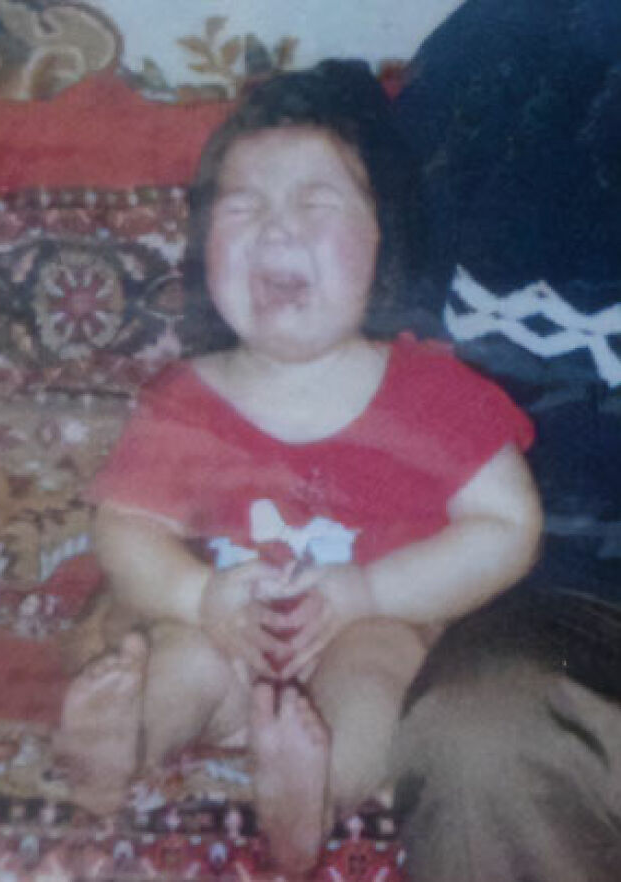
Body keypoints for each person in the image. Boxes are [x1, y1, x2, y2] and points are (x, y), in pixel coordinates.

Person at [54, 61, 544, 877]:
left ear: (386, 237)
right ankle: (119, 746)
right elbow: (126, 524)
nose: (276, 231)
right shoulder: (186, 397)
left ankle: (312, 796)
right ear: (202, 248)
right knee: (178, 659)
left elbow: (509, 528)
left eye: (315, 204)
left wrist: (370, 594)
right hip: (224, 625)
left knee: (380, 675)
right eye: (241, 209)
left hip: (368, 625)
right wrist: (199, 598)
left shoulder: (433, 393)